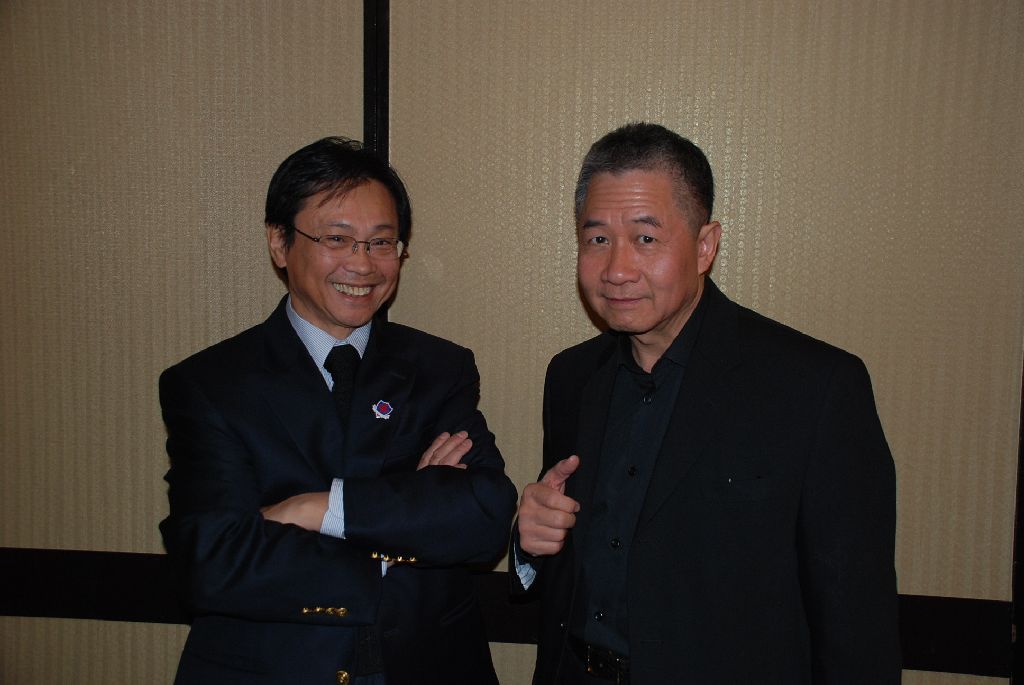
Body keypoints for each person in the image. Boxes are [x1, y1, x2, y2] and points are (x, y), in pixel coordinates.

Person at [513, 122, 900, 683]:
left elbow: (856, 623)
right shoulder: (571, 376)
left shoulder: (815, 388)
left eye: (646, 238)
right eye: (597, 239)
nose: (617, 269)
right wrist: (529, 542)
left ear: (705, 245)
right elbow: (580, 558)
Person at [159, 136, 517, 685]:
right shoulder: (211, 385)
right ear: (280, 243)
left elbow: (484, 518)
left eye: (381, 242)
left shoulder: (439, 368)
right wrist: (406, 520)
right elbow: (213, 562)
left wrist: (314, 510)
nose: (362, 263)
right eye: (336, 239)